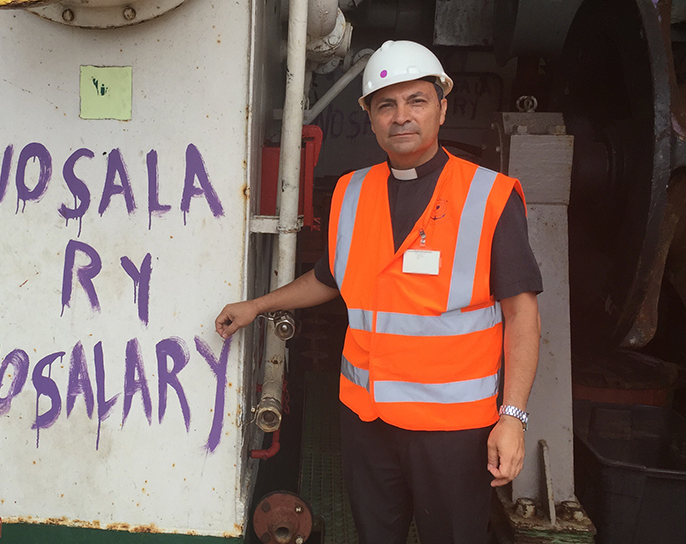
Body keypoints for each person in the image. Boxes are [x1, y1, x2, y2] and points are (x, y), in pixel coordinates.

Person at [215, 40, 542, 544]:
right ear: (369, 116)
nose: (401, 116)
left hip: (452, 431)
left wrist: (513, 417)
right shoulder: (351, 191)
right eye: (386, 104)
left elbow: (522, 315)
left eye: (416, 101)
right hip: (367, 422)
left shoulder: (490, 196)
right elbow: (330, 280)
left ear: (442, 108)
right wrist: (256, 305)